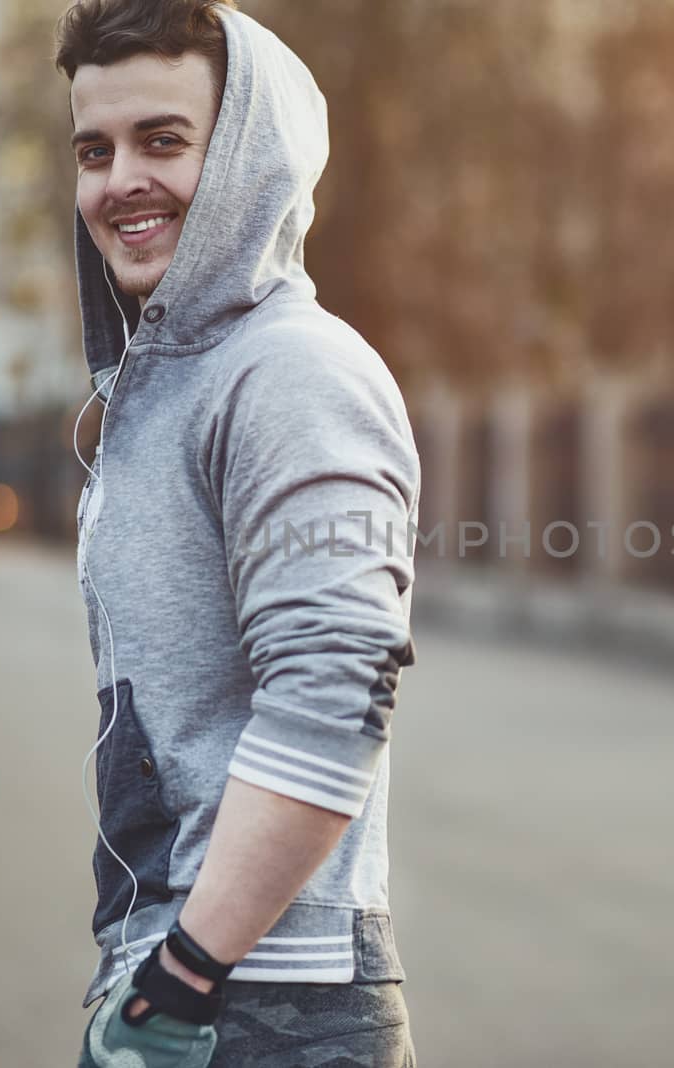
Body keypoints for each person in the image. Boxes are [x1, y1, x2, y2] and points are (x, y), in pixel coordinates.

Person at [56, 1, 420, 1064]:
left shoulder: (294, 372)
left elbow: (338, 687)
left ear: (249, 154)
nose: (121, 179)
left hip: (272, 1001)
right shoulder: (165, 387)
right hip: (193, 979)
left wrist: (182, 978)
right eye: (94, 149)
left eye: (162, 140)